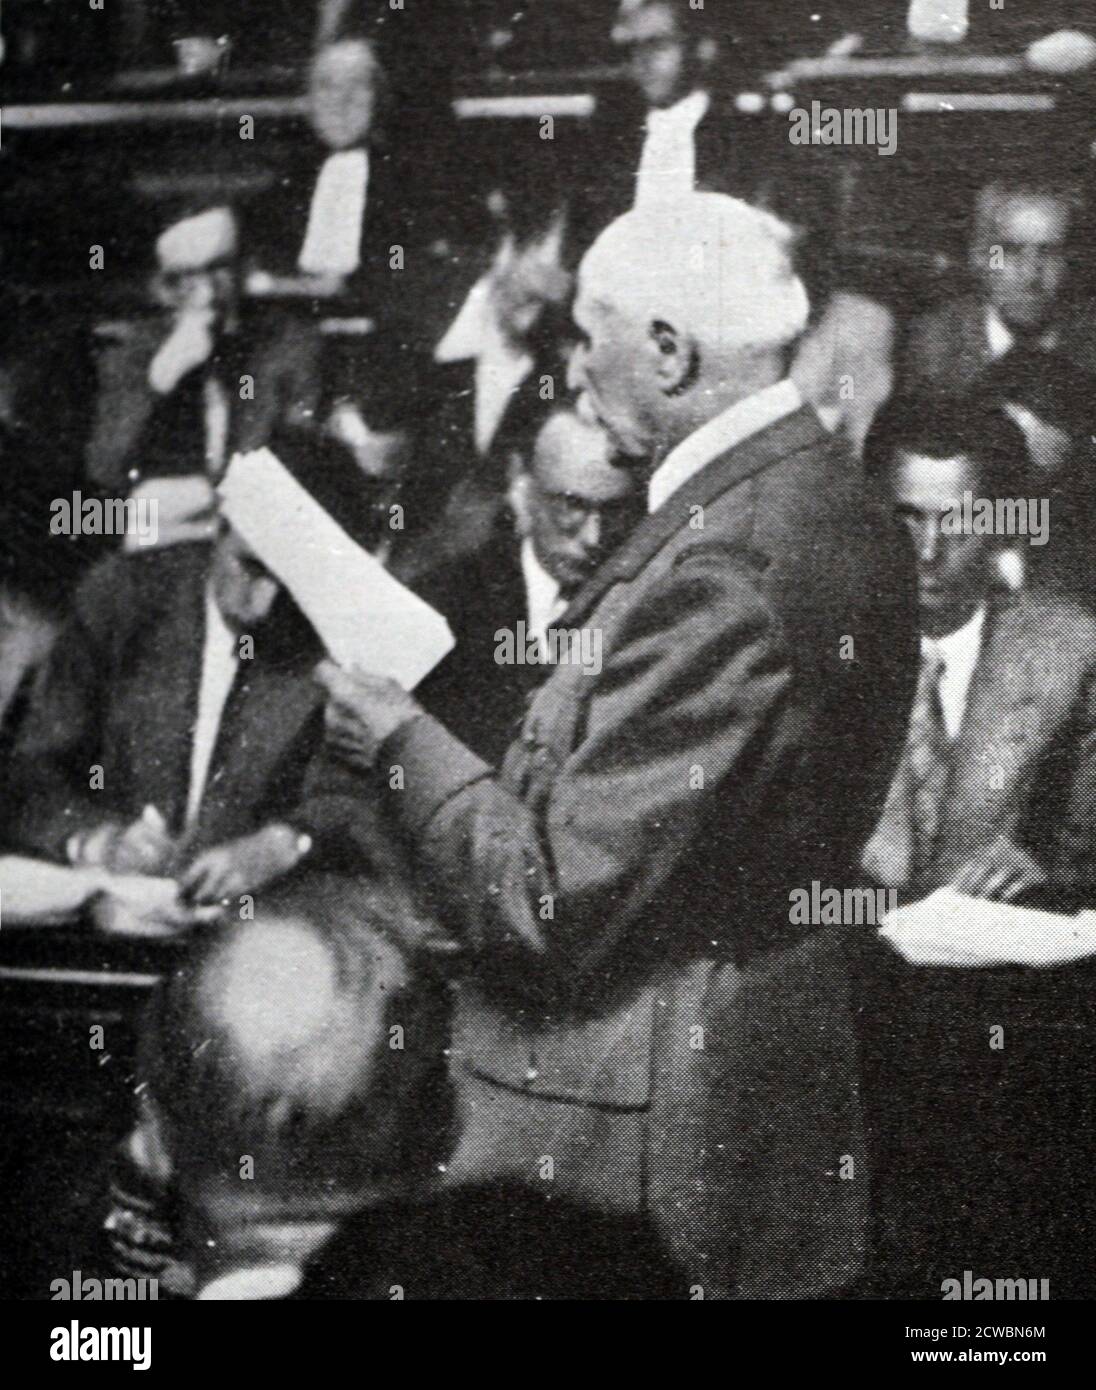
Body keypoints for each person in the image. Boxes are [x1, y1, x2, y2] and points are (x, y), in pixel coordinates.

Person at [315, 192, 919, 1299]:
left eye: (588, 338)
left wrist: (398, 739)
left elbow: (554, 907)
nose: (576, 368)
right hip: (739, 1086)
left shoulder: (722, 567)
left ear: (669, 350)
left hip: (632, 1125)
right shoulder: (825, 504)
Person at [6, 428, 381, 904]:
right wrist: (97, 840)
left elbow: (360, 798)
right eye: (251, 567)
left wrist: (286, 842)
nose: (264, 605)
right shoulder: (120, 600)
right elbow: (28, 776)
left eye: (289, 581)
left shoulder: (339, 635)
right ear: (220, 524)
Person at [861, 395, 1096, 900]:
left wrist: (1045, 877)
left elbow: (1085, 850)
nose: (928, 552)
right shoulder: (817, 650)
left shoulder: (1070, 653)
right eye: (908, 519)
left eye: (958, 522)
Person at [416, 409, 639, 764]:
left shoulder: (642, 606)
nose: (594, 537)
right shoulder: (443, 600)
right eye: (572, 505)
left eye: (615, 511)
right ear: (522, 484)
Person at [903, 178, 1096, 394]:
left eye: (1049, 253)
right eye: (1010, 251)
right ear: (979, 256)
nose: (1031, 274)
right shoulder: (934, 345)